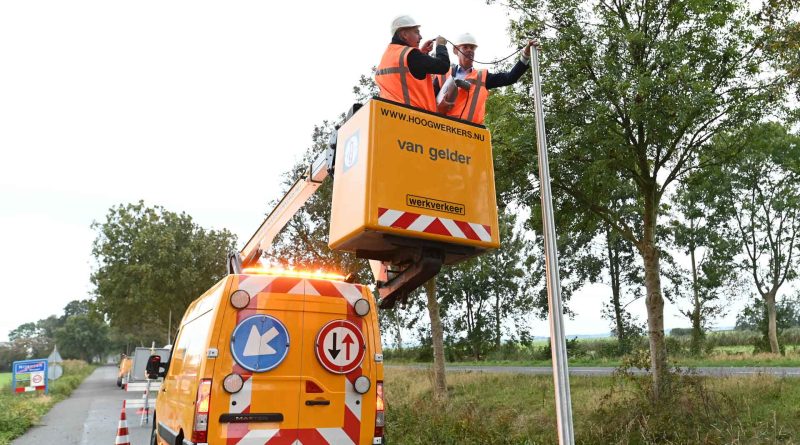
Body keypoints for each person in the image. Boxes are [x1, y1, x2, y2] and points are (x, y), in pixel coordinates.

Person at [434, 33, 537, 124]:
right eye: (465, 47)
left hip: (470, 135)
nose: (469, 50)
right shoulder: (442, 74)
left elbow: (510, 78)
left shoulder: (482, 76)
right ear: (456, 51)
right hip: (443, 129)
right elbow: (429, 102)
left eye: (472, 48)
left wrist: (526, 55)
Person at [376, 15, 449, 112]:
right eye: (416, 32)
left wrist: (422, 53)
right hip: (413, 119)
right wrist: (441, 46)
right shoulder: (411, 55)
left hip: (389, 116)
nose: (420, 37)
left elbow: (407, 75)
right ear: (404, 34)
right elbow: (443, 66)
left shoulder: (387, 57)